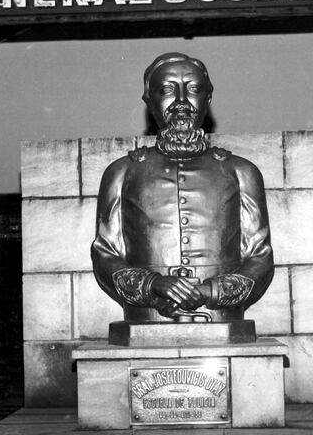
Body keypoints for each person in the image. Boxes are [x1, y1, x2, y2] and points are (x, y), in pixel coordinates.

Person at [91, 52, 273, 322]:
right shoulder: (122, 172)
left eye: (194, 90)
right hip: (146, 319)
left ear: (207, 99)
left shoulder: (241, 171)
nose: (181, 102)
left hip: (222, 317)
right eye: (166, 90)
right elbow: (105, 253)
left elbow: (260, 256)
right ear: (149, 100)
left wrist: (209, 291)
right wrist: (153, 286)